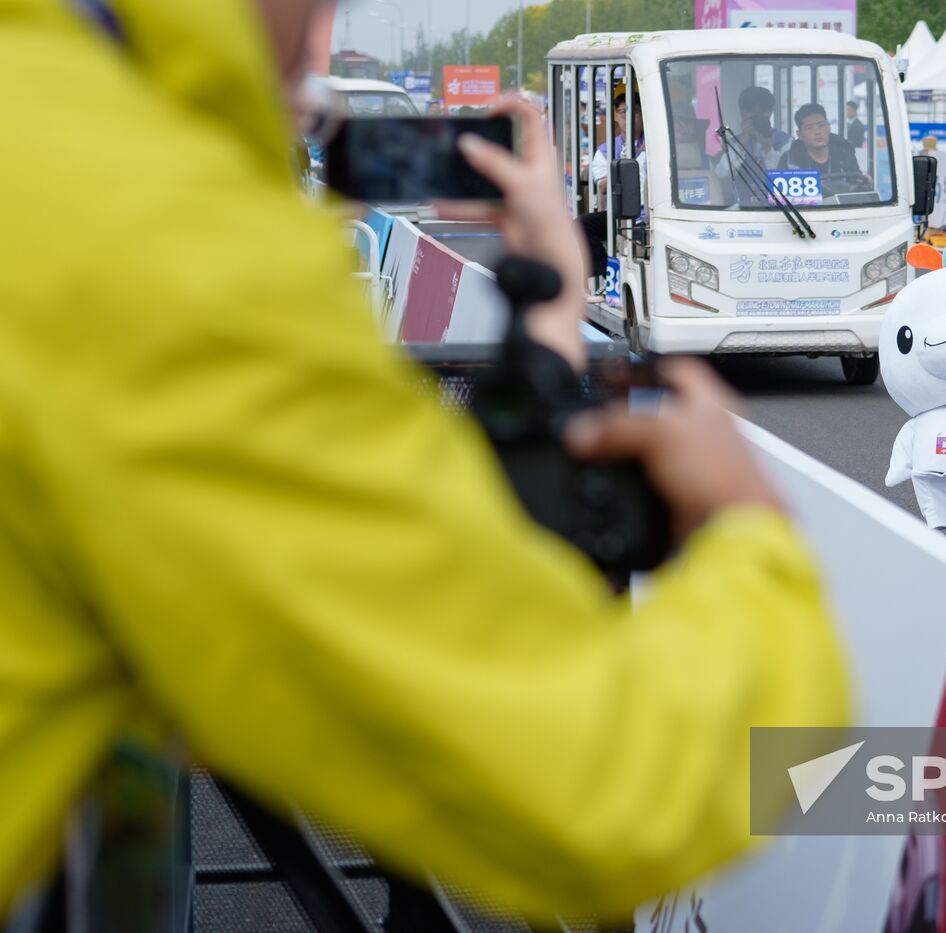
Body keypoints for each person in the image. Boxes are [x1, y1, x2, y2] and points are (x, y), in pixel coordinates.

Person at [0, 0, 851, 924]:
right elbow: (605, 787)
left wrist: (549, 316)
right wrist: (750, 528)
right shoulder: (156, 245)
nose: (324, 35)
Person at [580, 86, 646, 276]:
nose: (629, 116)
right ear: (616, 116)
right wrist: (623, 173)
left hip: (648, 214)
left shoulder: (654, 143)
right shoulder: (605, 150)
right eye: (623, 111)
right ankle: (605, 272)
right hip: (621, 213)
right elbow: (601, 185)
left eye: (635, 111)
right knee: (581, 225)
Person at [778, 103, 867, 193]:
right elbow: (782, 198)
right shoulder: (789, 159)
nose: (817, 132)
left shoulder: (845, 152)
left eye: (821, 125)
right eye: (809, 128)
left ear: (828, 128)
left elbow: (856, 185)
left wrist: (864, 183)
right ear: (799, 135)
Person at [736, 85, 792, 168]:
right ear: (742, 114)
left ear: (770, 112)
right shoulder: (734, 142)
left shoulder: (785, 141)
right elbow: (722, 174)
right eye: (752, 112)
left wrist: (767, 146)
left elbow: (785, 174)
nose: (758, 118)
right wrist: (742, 143)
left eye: (762, 112)